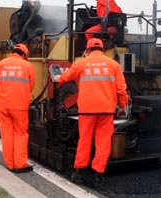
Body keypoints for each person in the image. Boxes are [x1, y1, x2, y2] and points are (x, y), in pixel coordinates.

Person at [52, 38, 128, 186]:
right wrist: (123, 106)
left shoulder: (81, 63)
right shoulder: (113, 65)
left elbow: (66, 77)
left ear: (87, 50)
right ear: (102, 49)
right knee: (103, 142)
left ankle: (78, 172)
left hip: (87, 110)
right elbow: (121, 89)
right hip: (106, 110)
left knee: (84, 140)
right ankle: (98, 174)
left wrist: (57, 79)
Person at [0, 44, 36, 173]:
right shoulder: (27, 66)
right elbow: (31, 85)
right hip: (20, 106)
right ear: (24, 54)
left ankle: (10, 164)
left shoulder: (1, 64)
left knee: (6, 134)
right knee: (20, 134)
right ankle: (20, 164)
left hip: (3, 105)